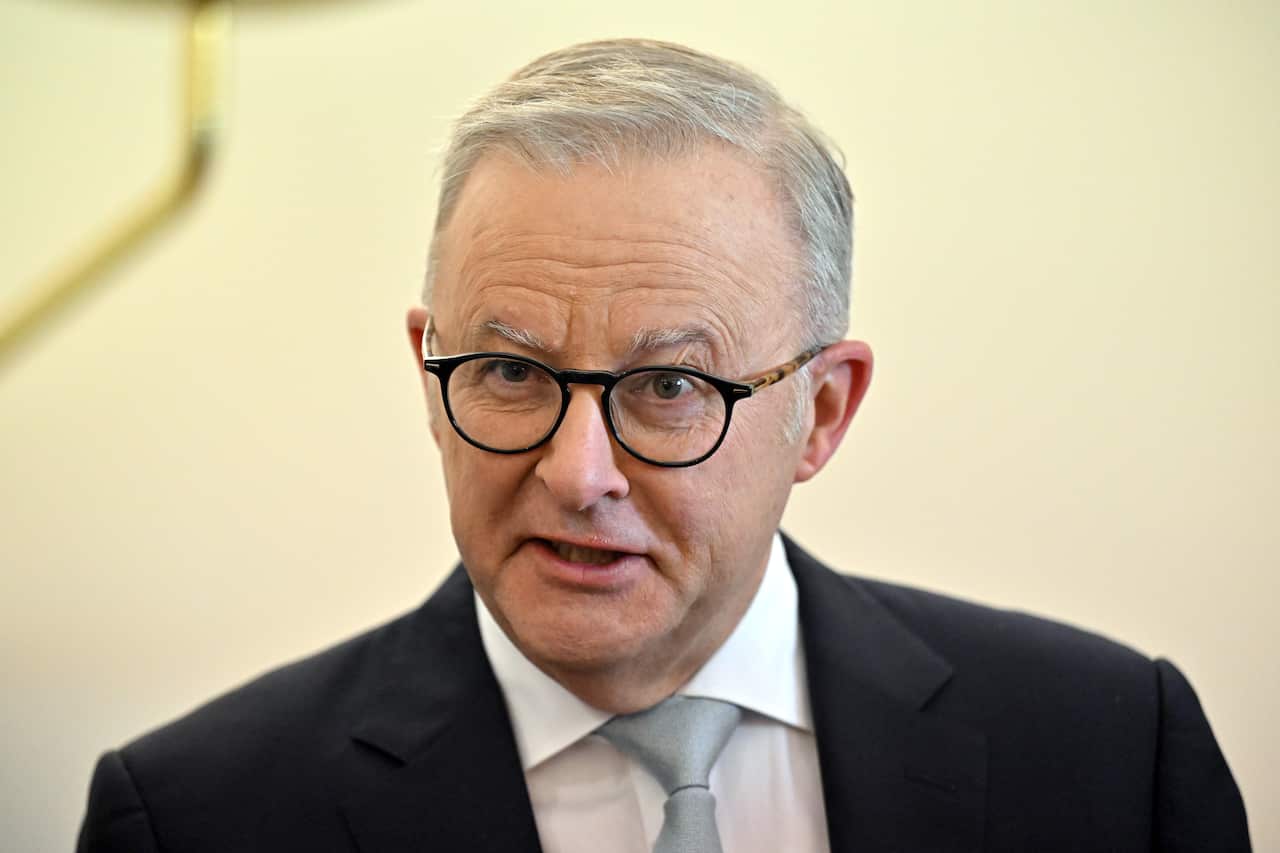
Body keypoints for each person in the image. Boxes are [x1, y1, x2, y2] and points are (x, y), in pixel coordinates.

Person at [77, 38, 1250, 853]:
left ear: (821, 413)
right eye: (509, 371)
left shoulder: (1107, 748)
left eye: (669, 386)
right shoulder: (196, 814)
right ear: (429, 378)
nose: (577, 475)